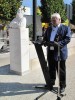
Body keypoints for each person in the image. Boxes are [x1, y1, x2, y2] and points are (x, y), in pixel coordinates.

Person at [43, 13, 71, 93]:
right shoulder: (49, 28)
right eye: (52, 20)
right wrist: (44, 42)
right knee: (51, 68)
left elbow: (68, 39)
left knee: (61, 69)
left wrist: (59, 44)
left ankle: (62, 85)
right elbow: (45, 37)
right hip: (50, 51)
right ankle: (51, 82)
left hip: (60, 52)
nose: (53, 22)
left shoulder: (66, 28)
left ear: (59, 20)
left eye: (54, 20)